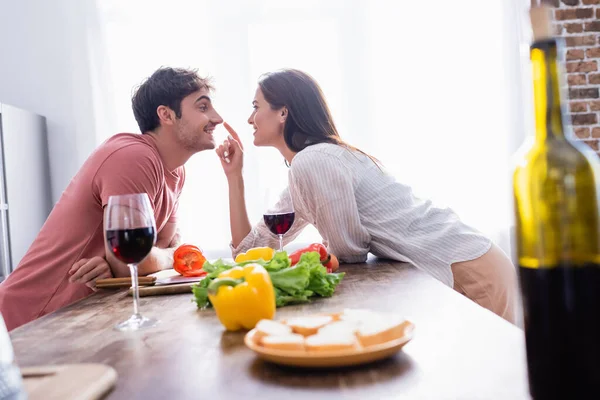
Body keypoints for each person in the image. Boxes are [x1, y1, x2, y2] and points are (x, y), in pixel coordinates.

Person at [216, 69, 517, 323]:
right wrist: (234, 177)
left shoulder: (314, 161)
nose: (249, 118)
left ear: (283, 112)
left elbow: (349, 252)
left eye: (256, 106)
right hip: (469, 261)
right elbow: (247, 252)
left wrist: (305, 263)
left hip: (469, 265)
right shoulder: (308, 167)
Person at [0, 67, 223, 331]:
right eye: (203, 107)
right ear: (166, 115)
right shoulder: (134, 157)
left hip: (75, 321)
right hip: (24, 324)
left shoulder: (175, 171)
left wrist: (132, 261)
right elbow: (141, 260)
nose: (217, 118)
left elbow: (149, 257)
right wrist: (169, 254)